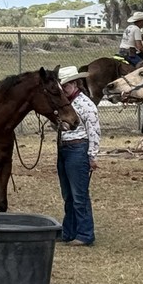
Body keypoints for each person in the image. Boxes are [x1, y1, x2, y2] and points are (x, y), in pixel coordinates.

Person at [56, 66, 100, 246]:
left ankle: (84, 233)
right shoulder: (65, 104)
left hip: (77, 149)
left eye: (65, 86)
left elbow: (94, 130)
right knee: (68, 194)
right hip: (65, 149)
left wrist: (92, 155)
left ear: (74, 84)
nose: (63, 90)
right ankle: (69, 231)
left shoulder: (86, 105)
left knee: (79, 194)